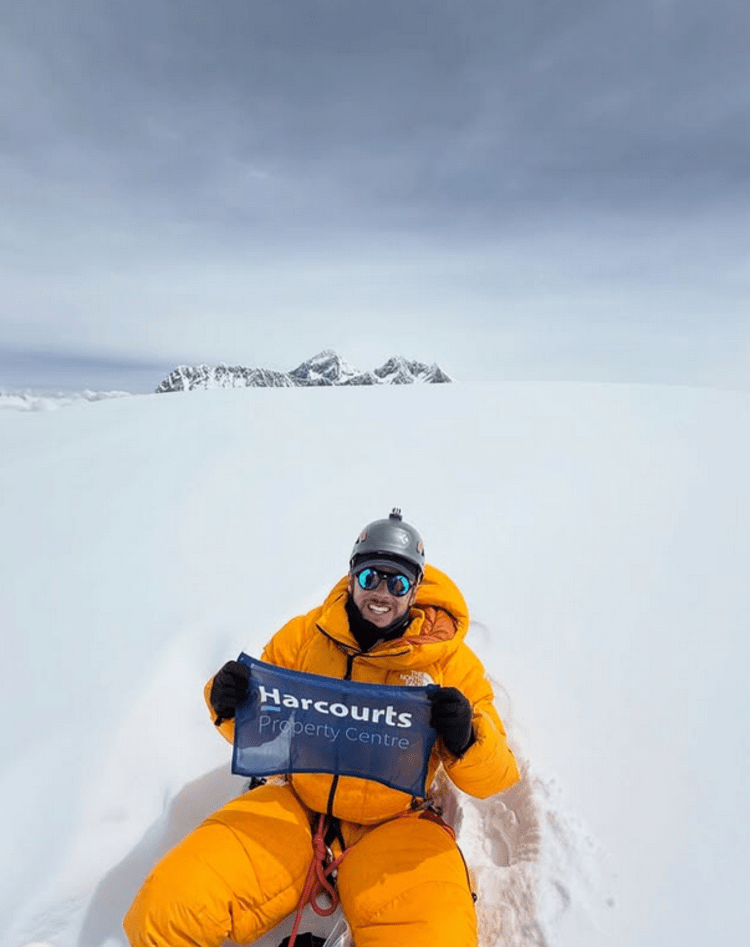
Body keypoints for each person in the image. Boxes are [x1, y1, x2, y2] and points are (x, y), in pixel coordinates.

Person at [124, 509, 520, 947]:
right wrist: (227, 702)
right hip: (296, 808)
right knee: (163, 913)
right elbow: (258, 727)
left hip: (397, 826)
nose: (382, 594)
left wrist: (465, 737)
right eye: (371, 577)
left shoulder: (449, 664)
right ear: (352, 576)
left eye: (399, 582)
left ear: (416, 589)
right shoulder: (303, 638)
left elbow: (497, 774)